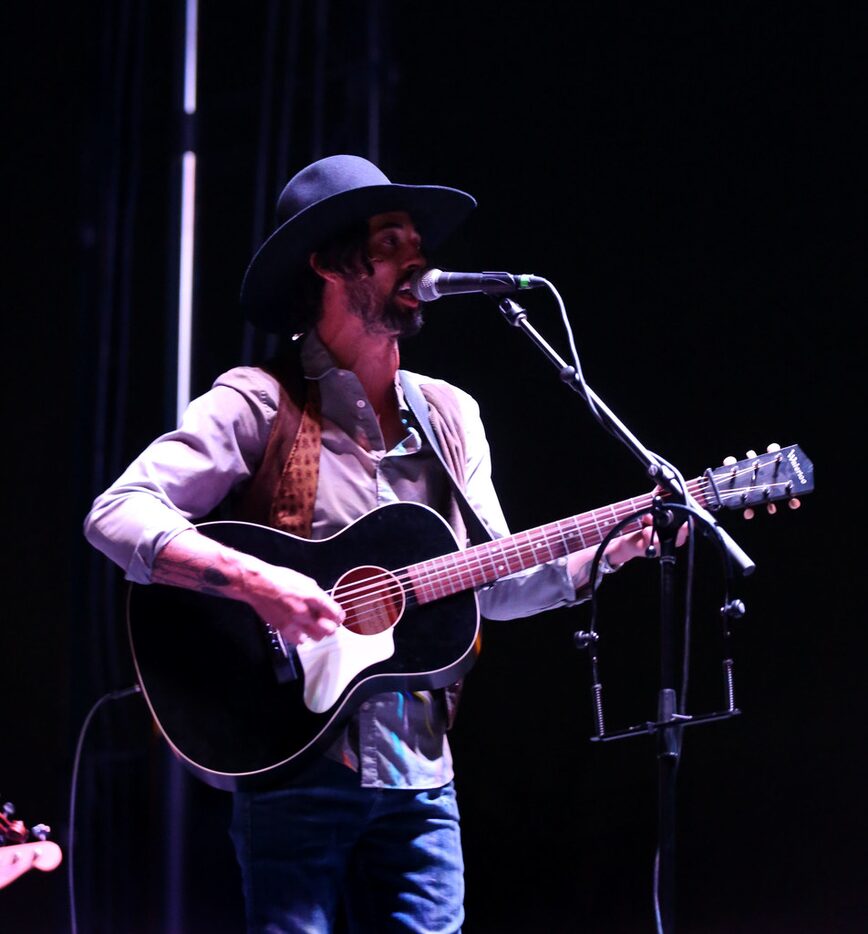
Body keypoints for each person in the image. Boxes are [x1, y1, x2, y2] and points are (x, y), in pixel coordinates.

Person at [84, 154, 665, 933]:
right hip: (291, 761)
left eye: (416, 242)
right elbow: (117, 513)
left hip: (422, 776)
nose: (417, 258)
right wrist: (259, 584)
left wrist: (612, 549)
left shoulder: (451, 414)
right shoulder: (258, 401)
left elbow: (488, 582)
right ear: (326, 264)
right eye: (391, 242)